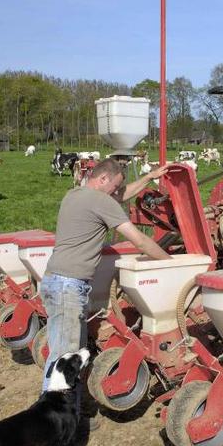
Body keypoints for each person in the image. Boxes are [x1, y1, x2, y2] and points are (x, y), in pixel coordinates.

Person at [40, 158, 171, 405]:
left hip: (54, 282)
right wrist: (171, 263)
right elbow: (140, 241)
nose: (116, 193)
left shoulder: (75, 194)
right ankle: (51, 429)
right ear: (103, 179)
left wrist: (148, 178)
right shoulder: (100, 201)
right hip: (68, 287)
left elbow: (120, 196)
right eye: (114, 186)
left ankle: (72, 418)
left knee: (71, 355)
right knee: (63, 360)